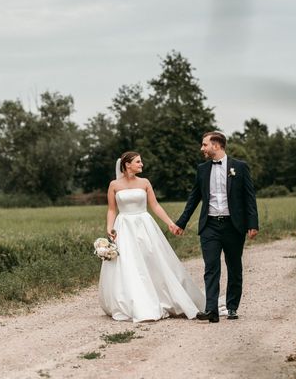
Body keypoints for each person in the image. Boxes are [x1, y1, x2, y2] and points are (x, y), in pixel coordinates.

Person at [98, 151, 205, 322]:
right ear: (127, 164)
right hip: (124, 226)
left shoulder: (145, 182)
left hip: (144, 225)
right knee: (129, 263)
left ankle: (162, 296)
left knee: (152, 259)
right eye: (138, 162)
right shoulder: (114, 185)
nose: (142, 164)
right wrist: (109, 228)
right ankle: (134, 301)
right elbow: (112, 209)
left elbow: (155, 206)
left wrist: (170, 223)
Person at [174, 131, 259, 323]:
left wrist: (252, 223)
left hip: (233, 226)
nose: (201, 148)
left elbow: (249, 197)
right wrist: (181, 222)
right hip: (210, 225)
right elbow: (194, 197)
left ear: (217, 145)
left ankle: (231, 307)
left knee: (234, 267)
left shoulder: (240, 167)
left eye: (204, 145)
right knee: (211, 267)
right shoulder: (202, 169)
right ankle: (211, 309)